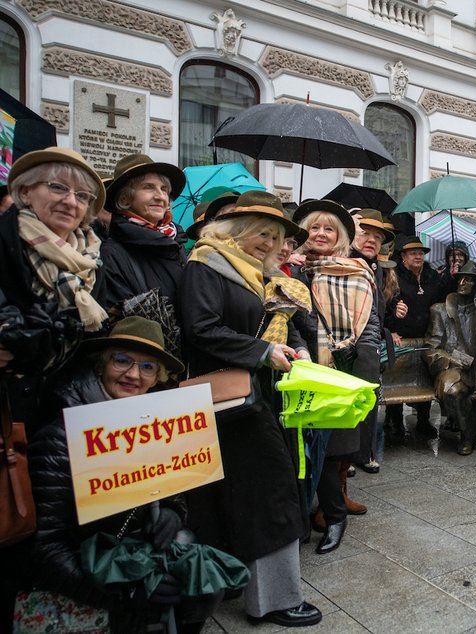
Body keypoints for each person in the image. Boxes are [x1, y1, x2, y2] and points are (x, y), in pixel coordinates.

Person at [179, 190, 321, 627]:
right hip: (226, 399)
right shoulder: (206, 264)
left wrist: (292, 348)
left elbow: (275, 327)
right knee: (270, 491)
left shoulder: (259, 275)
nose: (270, 243)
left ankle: (234, 582)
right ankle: (275, 600)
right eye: (262, 233)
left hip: (251, 396)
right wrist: (262, 352)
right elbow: (201, 328)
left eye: (277, 236)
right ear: (235, 230)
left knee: (249, 492)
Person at [28, 317, 221, 634]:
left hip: (135, 558)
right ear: (101, 365)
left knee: (201, 578)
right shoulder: (62, 436)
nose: (133, 375)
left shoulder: (154, 427)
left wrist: (173, 511)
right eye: (122, 361)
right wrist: (125, 591)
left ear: (157, 378)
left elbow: (171, 490)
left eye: (147, 367)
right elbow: (46, 549)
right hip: (88, 579)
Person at [0, 146, 107, 633]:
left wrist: (34, 331)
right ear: (25, 192)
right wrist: (60, 325)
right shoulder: (5, 242)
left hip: (59, 407)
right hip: (10, 411)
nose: (71, 202)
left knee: (49, 521)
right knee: (12, 519)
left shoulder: (88, 256)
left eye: (82, 196)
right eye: (57, 188)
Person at [295, 198, 380, 553]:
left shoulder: (358, 270)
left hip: (343, 367)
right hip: (303, 364)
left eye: (329, 228)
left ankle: (333, 516)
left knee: (332, 451)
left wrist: (364, 375)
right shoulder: (292, 269)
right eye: (314, 227)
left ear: (342, 237)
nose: (321, 233)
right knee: (300, 450)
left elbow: (370, 323)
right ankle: (301, 517)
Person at [426, 262, 476, 455]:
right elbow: (431, 349)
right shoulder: (440, 310)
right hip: (451, 369)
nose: (462, 282)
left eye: (468, 279)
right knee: (454, 391)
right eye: (460, 278)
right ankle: (466, 435)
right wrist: (456, 359)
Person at [94, 154, 187, 310]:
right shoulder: (111, 254)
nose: (160, 197)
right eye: (148, 187)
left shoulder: (175, 243)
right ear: (124, 199)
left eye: (164, 189)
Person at [384, 235, 446, 439]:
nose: (418, 256)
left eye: (420, 253)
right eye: (413, 253)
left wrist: (452, 277)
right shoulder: (394, 276)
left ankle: (423, 420)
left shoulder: (432, 276)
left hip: (427, 337)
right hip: (400, 337)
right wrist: (390, 329)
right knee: (397, 377)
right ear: (403, 256)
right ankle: (394, 421)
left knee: (425, 377)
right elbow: (384, 305)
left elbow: (443, 300)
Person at [351, 208, 396, 473]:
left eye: (377, 236)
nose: (371, 240)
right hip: (350, 345)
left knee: (369, 401)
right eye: (365, 233)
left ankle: (364, 453)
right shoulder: (344, 260)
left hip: (371, 344)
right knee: (351, 403)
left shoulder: (375, 266)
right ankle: (348, 457)